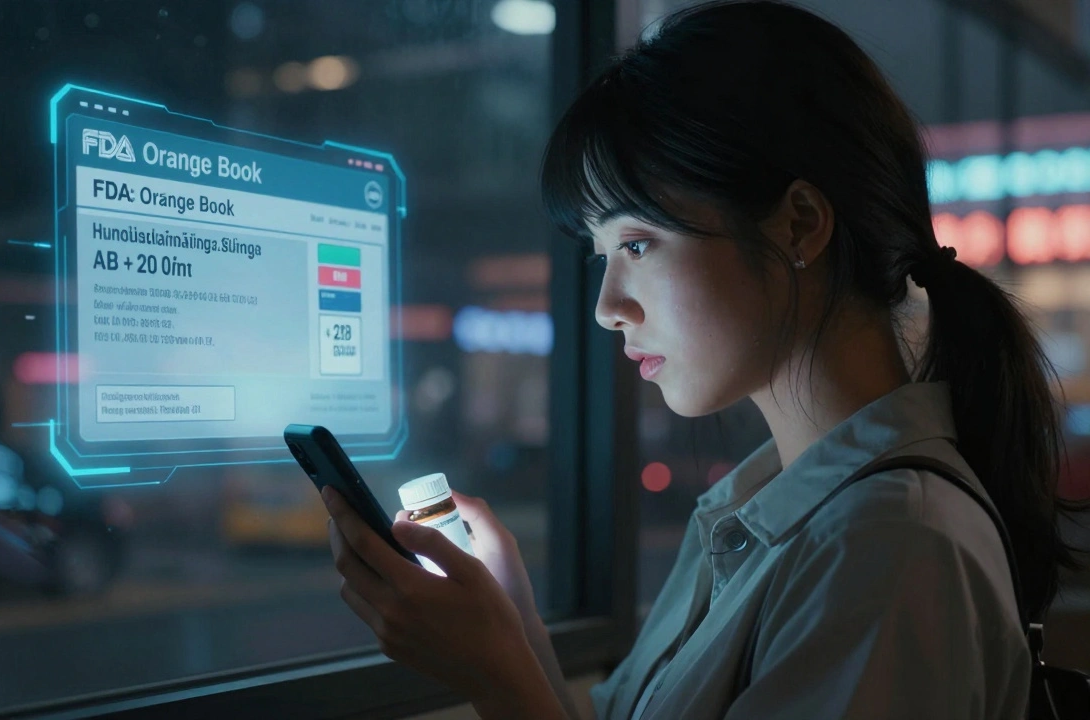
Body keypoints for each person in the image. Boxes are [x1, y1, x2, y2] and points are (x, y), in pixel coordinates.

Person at [320, 2, 1084, 717]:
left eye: (639, 244)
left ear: (799, 226)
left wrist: (493, 672)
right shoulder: (764, 512)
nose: (606, 305)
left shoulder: (890, 546)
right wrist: (512, 614)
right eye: (602, 257)